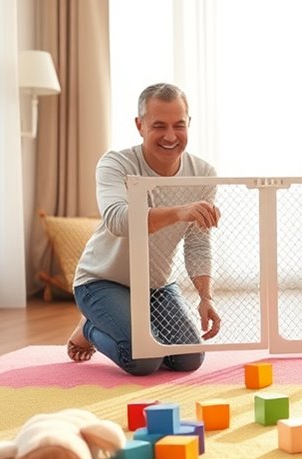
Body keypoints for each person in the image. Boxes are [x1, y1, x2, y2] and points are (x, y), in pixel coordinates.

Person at [66, 82, 222, 375]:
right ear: (140, 125)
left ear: (189, 123)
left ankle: (129, 322)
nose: (170, 136)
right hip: (102, 281)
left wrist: (205, 296)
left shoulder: (203, 174)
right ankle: (89, 328)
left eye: (179, 125)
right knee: (142, 360)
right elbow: (117, 219)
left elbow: (198, 243)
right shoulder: (116, 163)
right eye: (159, 126)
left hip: (156, 286)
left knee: (188, 358)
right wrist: (180, 212)